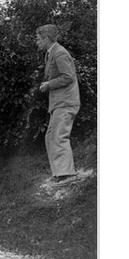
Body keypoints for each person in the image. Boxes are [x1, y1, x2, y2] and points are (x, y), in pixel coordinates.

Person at [35, 24, 81, 185]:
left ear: (46, 39)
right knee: (50, 137)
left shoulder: (60, 53)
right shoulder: (51, 53)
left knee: (58, 136)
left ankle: (67, 175)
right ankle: (59, 173)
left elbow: (68, 77)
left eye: (38, 39)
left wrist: (49, 84)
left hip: (66, 102)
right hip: (59, 102)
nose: (37, 42)